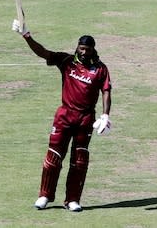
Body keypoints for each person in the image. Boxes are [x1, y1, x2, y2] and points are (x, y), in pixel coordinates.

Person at [12, 19, 112, 212]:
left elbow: (106, 91)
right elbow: (43, 53)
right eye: (81, 48)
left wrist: (105, 115)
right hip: (65, 116)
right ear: (77, 47)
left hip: (85, 119)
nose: (83, 52)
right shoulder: (66, 62)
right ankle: (44, 196)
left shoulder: (100, 69)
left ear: (93, 50)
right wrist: (27, 36)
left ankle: (73, 199)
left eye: (87, 49)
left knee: (80, 160)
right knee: (53, 158)